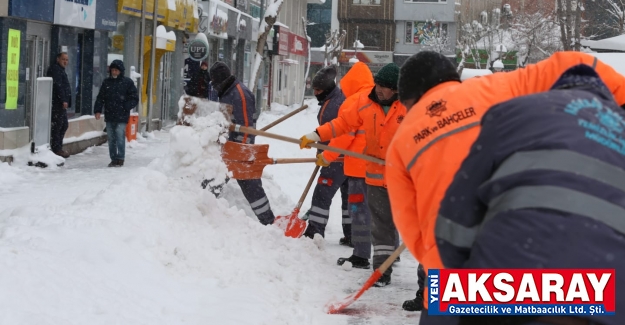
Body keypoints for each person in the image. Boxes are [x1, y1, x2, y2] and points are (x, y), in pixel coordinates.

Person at [386, 51, 625, 318]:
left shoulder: (400, 144)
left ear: (411, 98)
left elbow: (415, 234)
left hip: (459, 280)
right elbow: (576, 65)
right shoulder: (499, 87)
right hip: (541, 252)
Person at [299, 63, 404, 286]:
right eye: (378, 85)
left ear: (396, 90)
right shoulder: (363, 102)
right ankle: (380, 268)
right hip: (370, 170)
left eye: (385, 87)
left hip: (394, 172)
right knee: (376, 219)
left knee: (385, 216)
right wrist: (316, 134)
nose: (379, 90)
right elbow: (342, 126)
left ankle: (381, 257)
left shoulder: (407, 108)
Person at [318, 61, 375, 268]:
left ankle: (361, 255)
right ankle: (388, 253)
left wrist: (327, 156)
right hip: (379, 167)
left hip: (359, 169)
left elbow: (344, 134)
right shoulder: (380, 98)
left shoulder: (355, 101)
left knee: (358, 210)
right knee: (382, 212)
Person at [209, 61, 275, 225]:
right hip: (229, 146)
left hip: (240, 148)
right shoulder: (228, 91)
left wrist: (237, 153)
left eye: (216, 84)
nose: (215, 88)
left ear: (222, 81)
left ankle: (268, 222)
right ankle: (204, 208)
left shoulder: (239, 94)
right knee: (216, 176)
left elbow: (245, 128)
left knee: (250, 184)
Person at [300, 65, 351, 243]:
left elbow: (336, 133)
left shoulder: (334, 106)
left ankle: (314, 230)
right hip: (347, 158)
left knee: (322, 193)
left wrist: (325, 153)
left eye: (318, 89)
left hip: (336, 157)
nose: (315, 93)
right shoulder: (336, 99)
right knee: (349, 197)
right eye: (313, 89)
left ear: (328, 89)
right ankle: (352, 234)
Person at [94, 60, 139, 167]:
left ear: (120, 71)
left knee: (119, 134)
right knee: (111, 137)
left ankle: (120, 158)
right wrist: (98, 110)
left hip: (122, 114)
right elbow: (101, 97)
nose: (114, 72)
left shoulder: (127, 82)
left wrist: (126, 106)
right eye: (112, 70)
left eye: (116, 70)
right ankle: (113, 158)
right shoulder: (106, 82)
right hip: (110, 114)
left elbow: (134, 97)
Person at [47, 52, 71, 158]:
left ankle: (58, 147)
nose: (65, 61)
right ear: (58, 59)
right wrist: (63, 100)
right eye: (63, 59)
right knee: (58, 126)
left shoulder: (61, 70)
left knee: (63, 125)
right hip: (56, 103)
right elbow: (58, 86)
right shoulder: (55, 70)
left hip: (60, 103)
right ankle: (56, 149)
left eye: (66, 60)